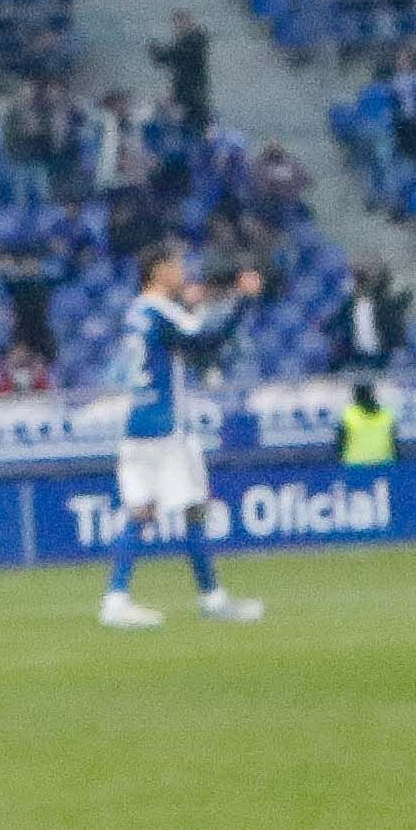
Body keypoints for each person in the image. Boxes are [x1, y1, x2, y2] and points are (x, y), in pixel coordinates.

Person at [96, 242, 259, 627]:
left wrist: (195, 304)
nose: (184, 270)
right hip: (168, 427)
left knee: (140, 512)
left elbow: (174, 336)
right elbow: (206, 341)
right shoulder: (160, 309)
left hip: (137, 424)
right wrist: (244, 302)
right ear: (158, 270)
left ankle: (116, 600)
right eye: (177, 264)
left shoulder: (137, 310)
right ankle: (213, 599)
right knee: (195, 508)